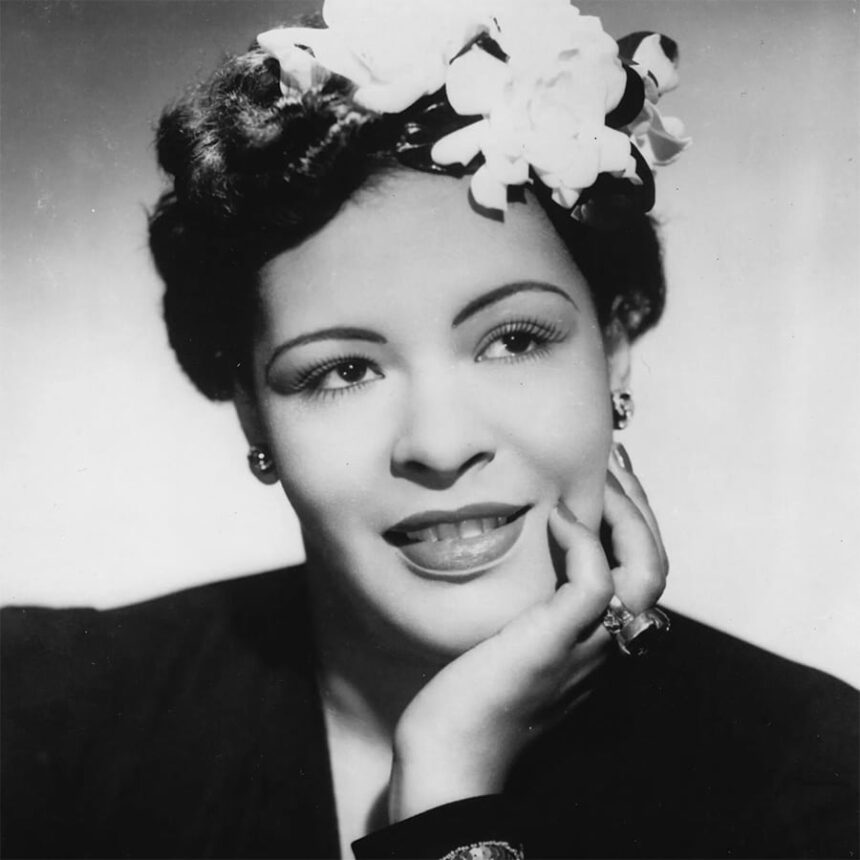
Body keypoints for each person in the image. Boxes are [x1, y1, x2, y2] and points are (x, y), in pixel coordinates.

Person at [2, 2, 856, 858]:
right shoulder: (39, 717)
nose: (441, 448)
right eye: (343, 371)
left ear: (615, 347)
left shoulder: (815, 778)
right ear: (252, 408)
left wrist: (448, 792)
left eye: (513, 339)